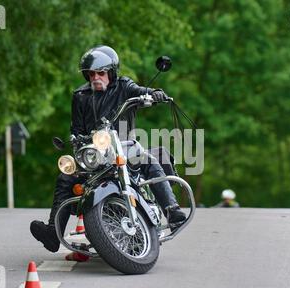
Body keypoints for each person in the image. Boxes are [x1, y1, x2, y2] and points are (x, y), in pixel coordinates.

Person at [30, 45, 187, 253]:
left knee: (147, 159)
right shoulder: (80, 95)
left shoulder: (123, 86)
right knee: (65, 177)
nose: (96, 77)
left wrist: (154, 94)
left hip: (123, 147)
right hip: (94, 154)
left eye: (101, 73)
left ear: (111, 72)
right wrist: (76, 141)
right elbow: (76, 129)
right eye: (91, 73)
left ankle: (172, 211)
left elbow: (140, 91)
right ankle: (53, 232)